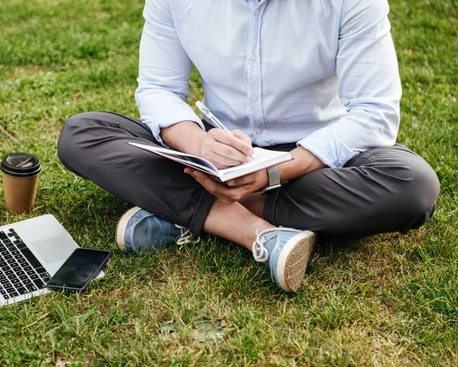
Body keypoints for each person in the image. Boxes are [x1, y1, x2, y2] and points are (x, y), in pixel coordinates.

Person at [57, 0, 440, 292]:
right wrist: (202, 146)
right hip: (216, 146)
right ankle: (258, 234)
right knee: (83, 134)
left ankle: (185, 211)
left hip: (316, 158)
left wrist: (274, 170)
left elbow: (374, 112)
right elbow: (158, 88)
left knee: (412, 186)